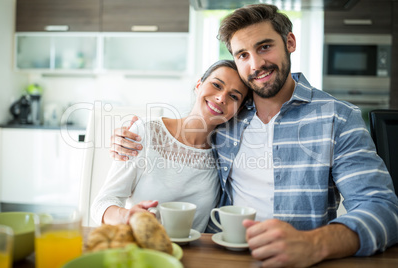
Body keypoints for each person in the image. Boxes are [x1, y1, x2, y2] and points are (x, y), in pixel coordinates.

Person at [109, 4, 398, 267]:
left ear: (290, 42)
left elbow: (383, 210)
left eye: (264, 47)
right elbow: (182, 131)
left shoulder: (337, 117)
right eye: (243, 55)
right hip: (218, 258)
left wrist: (313, 244)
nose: (256, 64)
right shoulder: (228, 116)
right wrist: (133, 134)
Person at [91, 60, 250, 234]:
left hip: (193, 258)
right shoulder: (145, 133)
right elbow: (102, 204)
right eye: (216, 85)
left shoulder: (225, 154)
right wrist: (126, 217)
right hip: (143, 252)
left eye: (234, 96)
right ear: (199, 85)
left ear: (239, 109)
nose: (221, 98)